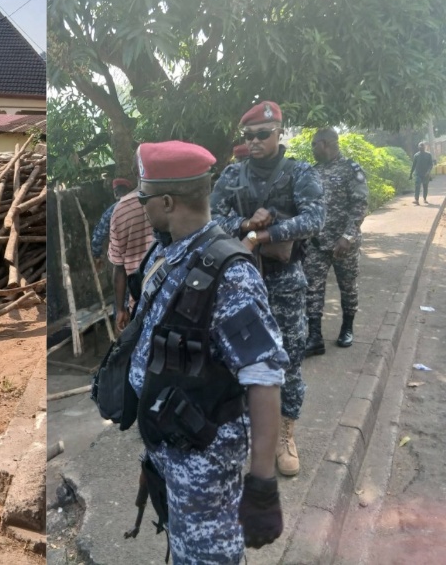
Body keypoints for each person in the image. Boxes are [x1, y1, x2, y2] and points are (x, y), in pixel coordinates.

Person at [126, 141, 285, 564]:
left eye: (144, 199)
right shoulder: (169, 252)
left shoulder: (230, 274)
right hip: (171, 444)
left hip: (205, 464)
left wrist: (262, 482)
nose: (141, 207)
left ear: (166, 202)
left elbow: (264, 376)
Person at [210, 101, 324, 477]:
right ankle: (247, 430)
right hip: (241, 283)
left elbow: (316, 218)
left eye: (262, 134)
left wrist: (265, 233)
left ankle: (285, 435)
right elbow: (213, 218)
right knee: (239, 359)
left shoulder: (299, 172)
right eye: (249, 136)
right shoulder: (232, 175)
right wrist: (244, 224)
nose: (255, 141)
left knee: (289, 361)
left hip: (285, 280)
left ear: (279, 133)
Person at [305, 129, 368, 355]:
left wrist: (347, 237)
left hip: (344, 244)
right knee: (312, 288)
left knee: (348, 286)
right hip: (317, 243)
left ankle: (347, 328)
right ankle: (314, 336)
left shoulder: (351, 169)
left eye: (314, 145)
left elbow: (360, 205)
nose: (312, 149)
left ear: (325, 143)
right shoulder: (314, 171)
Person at [108, 178, 156, 332]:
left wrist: (120, 309)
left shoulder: (118, 211)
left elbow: (119, 268)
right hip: (171, 296)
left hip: (138, 299)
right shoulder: (168, 198)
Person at [91, 178, 133, 267]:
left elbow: (98, 237)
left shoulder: (111, 212)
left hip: (123, 257)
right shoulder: (141, 204)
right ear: (129, 191)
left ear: (115, 193)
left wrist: (97, 255)